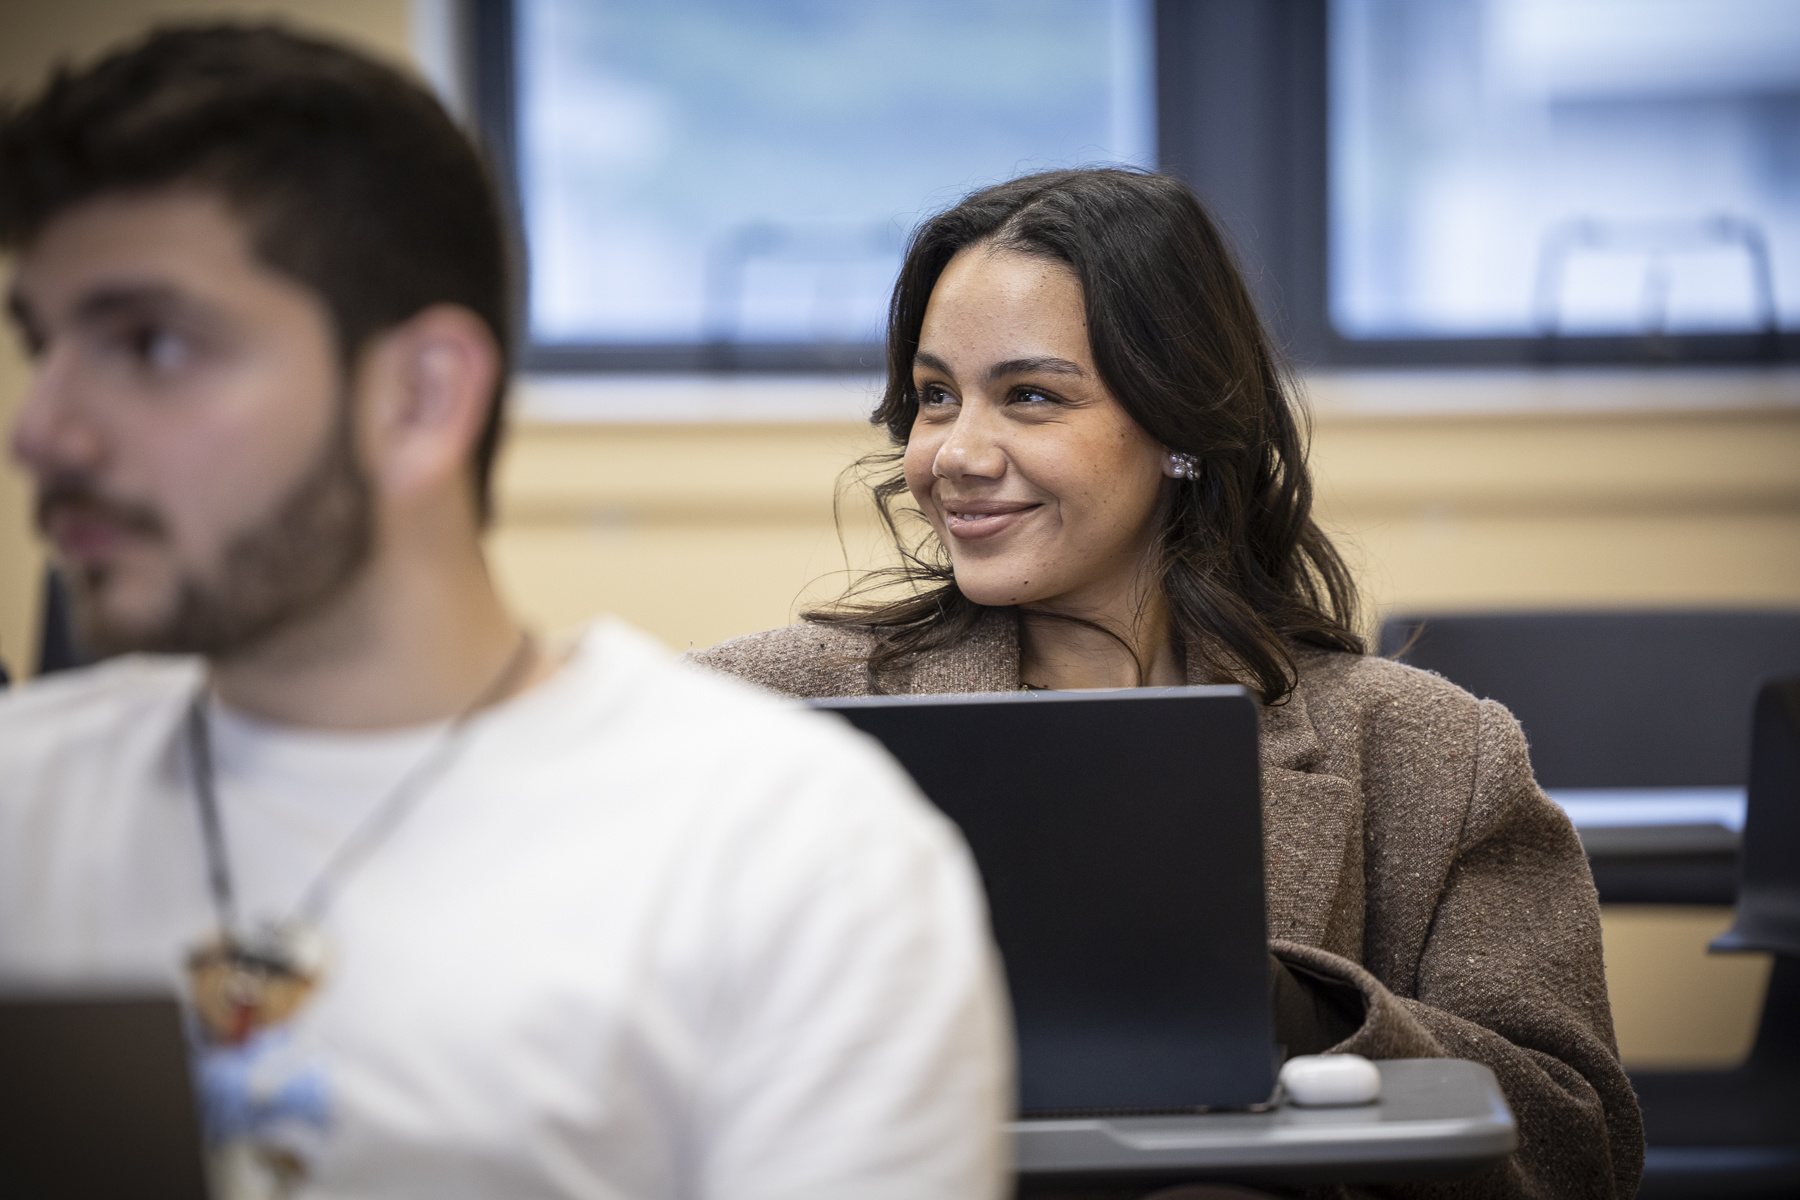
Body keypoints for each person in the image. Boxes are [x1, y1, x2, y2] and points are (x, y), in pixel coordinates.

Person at [0, 26, 1010, 1200]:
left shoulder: (789, 862)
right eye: (40, 344)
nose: (44, 432)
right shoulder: (23, 805)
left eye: (152, 344)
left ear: (420, 398)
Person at [688, 168, 1643, 1199]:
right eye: (933, 398)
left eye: (1031, 397)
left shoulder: (1434, 755)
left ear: (1183, 425)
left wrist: (1293, 1010)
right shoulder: (758, 714)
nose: (954, 454)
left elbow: (1574, 1144)